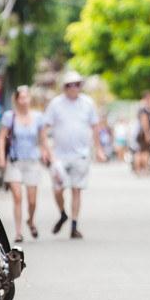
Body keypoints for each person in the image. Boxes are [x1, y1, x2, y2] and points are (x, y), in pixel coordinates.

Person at [44, 71, 103, 239]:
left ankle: (74, 225)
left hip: (81, 154)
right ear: (64, 87)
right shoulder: (56, 104)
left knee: (77, 189)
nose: (73, 88)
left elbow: (95, 126)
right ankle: (63, 213)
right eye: (69, 85)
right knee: (58, 189)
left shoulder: (87, 103)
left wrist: (98, 148)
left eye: (76, 84)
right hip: (59, 156)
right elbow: (45, 128)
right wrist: (46, 150)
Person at [0, 86, 49, 243]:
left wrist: (46, 152)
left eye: (27, 97)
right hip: (15, 161)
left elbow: (42, 138)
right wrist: (1, 157)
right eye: (21, 98)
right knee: (17, 196)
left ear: (29, 99)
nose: (24, 101)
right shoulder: (9, 116)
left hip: (32, 161)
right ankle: (18, 232)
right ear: (17, 100)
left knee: (32, 201)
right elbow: (1, 138)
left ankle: (30, 220)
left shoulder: (38, 117)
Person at [133, 92, 150, 173]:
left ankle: (138, 169)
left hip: (140, 132)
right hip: (143, 132)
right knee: (144, 151)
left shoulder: (141, 107)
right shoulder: (144, 108)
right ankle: (144, 169)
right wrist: (147, 134)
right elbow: (144, 121)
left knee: (139, 151)